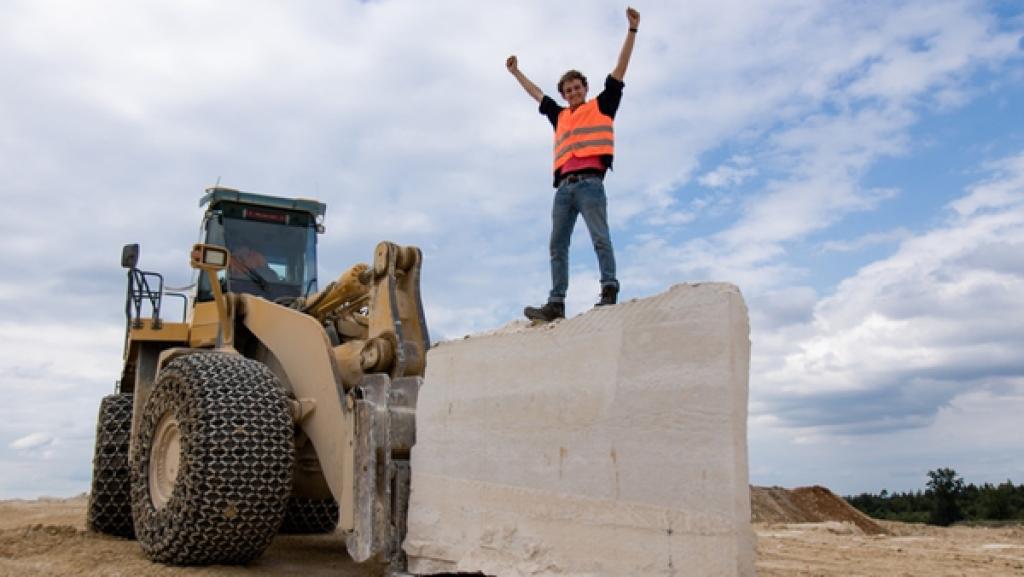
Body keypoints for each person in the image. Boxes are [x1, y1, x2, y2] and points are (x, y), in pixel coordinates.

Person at [507, 6, 640, 322]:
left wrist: (632, 31)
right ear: (564, 95)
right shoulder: (559, 115)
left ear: (585, 88)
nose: (573, 93)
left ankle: (609, 288)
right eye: (568, 90)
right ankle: (556, 303)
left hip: (591, 185)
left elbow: (620, 70)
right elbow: (536, 93)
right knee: (557, 245)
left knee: (599, 238)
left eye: (577, 87)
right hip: (564, 190)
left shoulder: (603, 105)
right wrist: (515, 72)